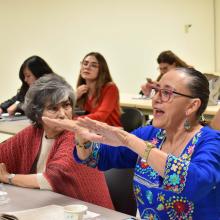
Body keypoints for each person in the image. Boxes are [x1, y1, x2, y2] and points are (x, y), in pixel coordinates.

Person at [43, 68, 220, 219]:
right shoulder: (150, 134)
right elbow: (96, 158)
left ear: (192, 106)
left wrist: (130, 141)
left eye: (166, 93)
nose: (156, 98)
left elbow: (195, 182)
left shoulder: (211, 142)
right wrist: (83, 139)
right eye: (156, 91)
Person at [0, 74, 113, 209]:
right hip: (48, 207)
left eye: (66, 105)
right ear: (38, 113)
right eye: (53, 108)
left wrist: (9, 178)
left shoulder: (77, 134)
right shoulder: (35, 131)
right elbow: (4, 152)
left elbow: (52, 178)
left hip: (90, 214)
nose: (62, 114)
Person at [76, 52, 121, 127]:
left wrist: (74, 120)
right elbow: (65, 112)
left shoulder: (110, 88)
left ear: (102, 70)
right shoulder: (82, 90)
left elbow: (100, 116)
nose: (87, 67)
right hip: (90, 130)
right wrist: (74, 97)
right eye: (85, 63)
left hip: (111, 133)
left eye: (93, 65)